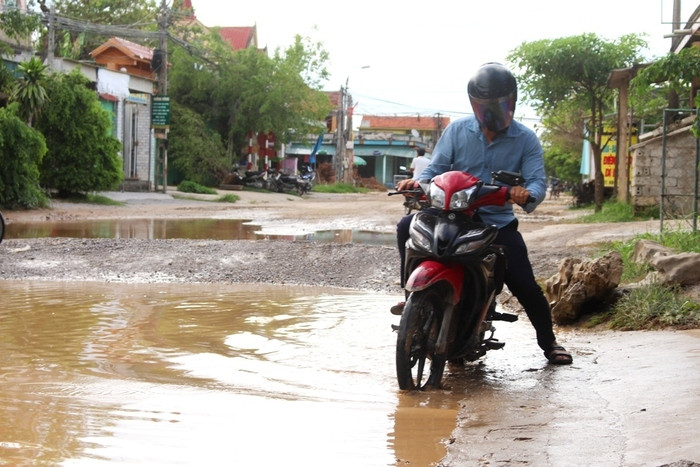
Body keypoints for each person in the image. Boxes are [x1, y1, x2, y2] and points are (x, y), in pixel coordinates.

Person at [393, 62, 573, 365]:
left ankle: (549, 342)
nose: (490, 113)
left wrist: (526, 193)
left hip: (495, 222)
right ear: (475, 106)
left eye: (498, 106)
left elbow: (537, 181)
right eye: (484, 107)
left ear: (511, 103)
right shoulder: (457, 131)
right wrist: (417, 183)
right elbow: (436, 170)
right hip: (449, 216)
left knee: (526, 286)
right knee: (405, 226)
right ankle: (413, 297)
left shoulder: (526, 140)